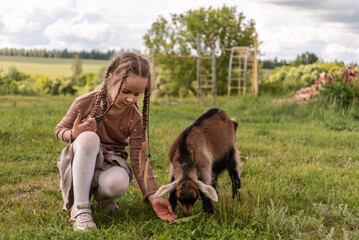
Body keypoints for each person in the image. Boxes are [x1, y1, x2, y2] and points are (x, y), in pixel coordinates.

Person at [55, 52, 177, 231]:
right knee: (89, 138)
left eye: (137, 94)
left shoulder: (135, 118)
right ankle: (80, 208)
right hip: (79, 160)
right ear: (110, 79)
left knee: (118, 183)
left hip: (110, 163)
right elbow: (59, 130)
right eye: (126, 91)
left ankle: (104, 197)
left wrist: (152, 195)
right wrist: (73, 133)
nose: (131, 99)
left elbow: (139, 157)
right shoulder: (84, 103)